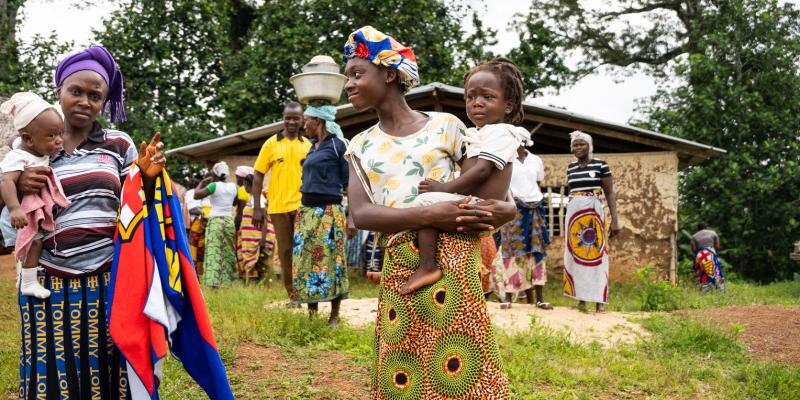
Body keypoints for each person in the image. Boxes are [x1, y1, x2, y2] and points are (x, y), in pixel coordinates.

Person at [343, 26, 514, 399]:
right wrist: (429, 215)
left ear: (388, 73)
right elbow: (363, 214)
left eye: (357, 74)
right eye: (347, 78)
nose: (349, 85)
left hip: (454, 257)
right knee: (402, 360)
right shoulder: (360, 145)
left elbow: (486, 186)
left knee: (460, 358)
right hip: (402, 258)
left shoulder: (447, 126)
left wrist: (508, 208)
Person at [14, 45, 165, 397]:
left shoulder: (118, 144)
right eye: (76, 91)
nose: (84, 101)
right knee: (51, 370)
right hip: (46, 277)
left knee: (110, 370)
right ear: (59, 93)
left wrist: (147, 177)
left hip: (109, 278)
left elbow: (137, 206)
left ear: (104, 102)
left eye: (95, 96)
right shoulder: (28, 145)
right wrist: (18, 182)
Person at [397, 57, 528, 295]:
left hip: (476, 206)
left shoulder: (501, 133)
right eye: (471, 97)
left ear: (508, 106)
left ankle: (427, 267)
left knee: (422, 204)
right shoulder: (479, 133)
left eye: (487, 97)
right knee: (426, 211)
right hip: (470, 204)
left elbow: (482, 170)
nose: (477, 103)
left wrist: (443, 189)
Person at [0, 92, 69, 299]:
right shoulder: (18, 157)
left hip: (27, 213)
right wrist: (14, 208)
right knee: (33, 244)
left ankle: (24, 277)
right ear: (28, 139)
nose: (59, 141)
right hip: (18, 216)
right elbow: (6, 181)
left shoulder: (38, 151)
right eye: (51, 136)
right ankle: (28, 282)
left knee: (34, 244)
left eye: (60, 134)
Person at [291, 104, 350, 325]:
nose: (303, 125)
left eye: (306, 120)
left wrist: (351, 218)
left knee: (333, 261)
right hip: (306, 212)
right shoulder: (313, 147)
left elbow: (349, 183)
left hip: (329, 213)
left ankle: (334, 316)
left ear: (318, 122)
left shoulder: (338, 146)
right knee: (307, 260)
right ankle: (312, 314)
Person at [251, 102, 311, 300]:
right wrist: (257, 208)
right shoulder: (271, 144)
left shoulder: (307, 145)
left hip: (303, 207)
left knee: (304, 250)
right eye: (288, 117)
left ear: (302, 120)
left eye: (296, 118)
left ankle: (307, 291)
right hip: (278, 208)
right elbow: (258, 175)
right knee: (285, 252)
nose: (291, 121)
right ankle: (293, 295)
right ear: (283, 117)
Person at [562, 130, 620, 313]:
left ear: (590, 146)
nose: (578, 148)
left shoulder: (601, 165)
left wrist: (615, 220)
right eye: (575, 145)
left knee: (596, 255)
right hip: (574, 215)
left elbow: (610, 193)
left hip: (594, 213)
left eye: (581, 144)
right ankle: (581, 300)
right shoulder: (570, 168)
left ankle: (599, 302)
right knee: (576, 255)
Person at [493, 140, 553, 309]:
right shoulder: (506, 160)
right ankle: (509, 297)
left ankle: (540, 298)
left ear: (525, 142)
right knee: (511, 250)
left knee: (536, 250)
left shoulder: (536, 160)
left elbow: (537, 184)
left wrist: (532, 200)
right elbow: (503, 186)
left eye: (518, 140)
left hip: (535, 209)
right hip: (514, 209)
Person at [194, 161, 238, 288]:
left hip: (215, 222)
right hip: (229, 221)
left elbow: (196, 195)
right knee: (228, 251)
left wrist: (202, 183)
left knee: (214, 251)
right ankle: (227, 282)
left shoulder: (213, 186)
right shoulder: (233, 187)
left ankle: (213, 284)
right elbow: (234, 203)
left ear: (215, 173)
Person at [187, 173, 212, 274]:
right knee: (195, 249)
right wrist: (202, 213)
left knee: (202, 250)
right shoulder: (191, 193)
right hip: (198, 224)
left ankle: (200, 272)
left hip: (206, 223)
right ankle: (193, 272)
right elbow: (192, 209)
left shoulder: (205, 194)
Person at [691, 221, 725, 292]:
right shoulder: (713, 233)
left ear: (698, 229)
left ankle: (705, 291)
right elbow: (717, 246)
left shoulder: (694, 236)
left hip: (700, 256)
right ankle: (720, 290)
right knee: (715, 271)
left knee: (702, 272)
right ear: (706, 228)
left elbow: (694, 250)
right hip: (710, 254)